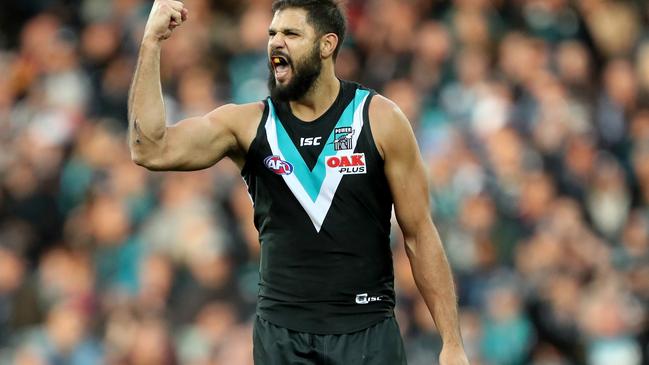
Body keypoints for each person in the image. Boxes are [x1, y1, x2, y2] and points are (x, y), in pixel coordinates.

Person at [128, 0, 470, 364]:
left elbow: (419, 233)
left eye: (291, 33)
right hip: (282, 337)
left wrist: (451, 342)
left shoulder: (380, 119)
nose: (276, 42)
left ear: (327, 45)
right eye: (272, 33)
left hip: (366, 333)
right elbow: (150, 149)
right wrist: (151, 43)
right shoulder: (248, 124)